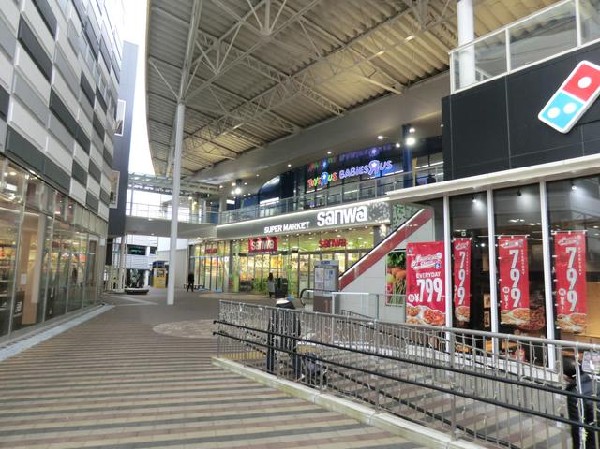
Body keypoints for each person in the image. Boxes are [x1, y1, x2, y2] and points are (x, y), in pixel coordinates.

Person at [563, 356, 598, 449]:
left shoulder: (575, 393)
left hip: (592, 436)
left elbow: (577, 426)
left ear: (565, 376)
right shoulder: (595, 383)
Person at [266, 298, 301, 379]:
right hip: (290, 339)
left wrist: (269, 338)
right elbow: (297, 326)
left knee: (270, 351)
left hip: (276, 338)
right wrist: (297, 335)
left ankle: (269, 370)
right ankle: (298, 373)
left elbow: (271, 326)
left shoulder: (275, 312)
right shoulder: (293, 313)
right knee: (294, 353)